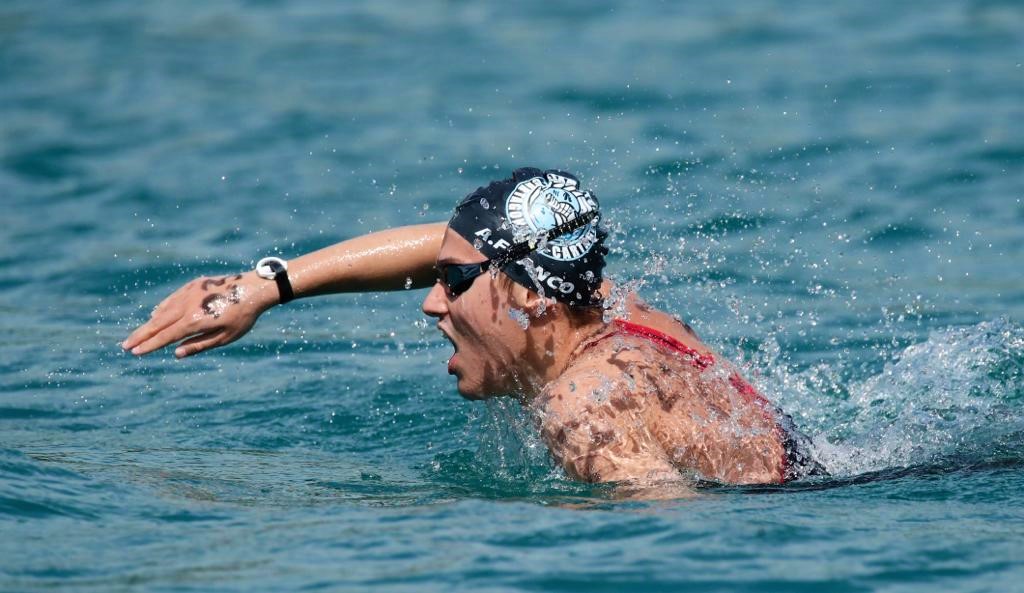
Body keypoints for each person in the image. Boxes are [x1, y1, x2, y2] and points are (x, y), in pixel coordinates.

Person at [123, 167, 825, 489]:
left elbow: (684, 551)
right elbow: (457, 244)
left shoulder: (581, 408)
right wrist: (267, 287)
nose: (430, 303)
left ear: (533, 296)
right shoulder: (615, 310)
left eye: (452, 285)